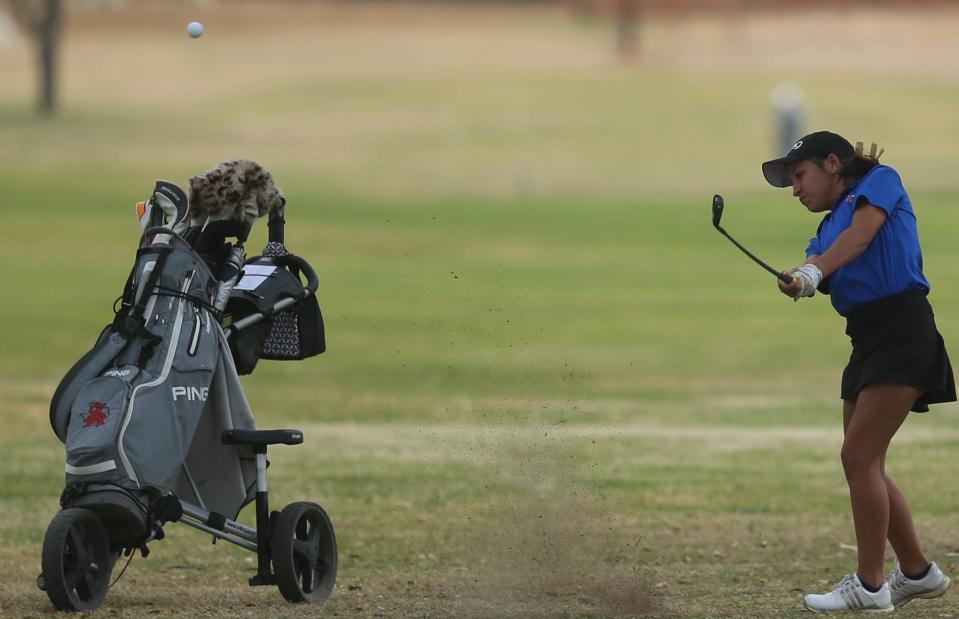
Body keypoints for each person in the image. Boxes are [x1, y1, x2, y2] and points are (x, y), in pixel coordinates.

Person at [762, 131, 956, 613]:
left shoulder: (880, 182)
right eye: (790, 183)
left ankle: (870, 587)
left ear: (832, 163)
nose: (796, 190)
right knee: (863, 463)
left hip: (903, 330)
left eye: (799, 176)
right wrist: (802, 276)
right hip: (867, 340)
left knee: (859, 460)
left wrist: (816, 270)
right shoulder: (826, 229)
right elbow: (820, 257)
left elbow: (862, 236)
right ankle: (918, 573)